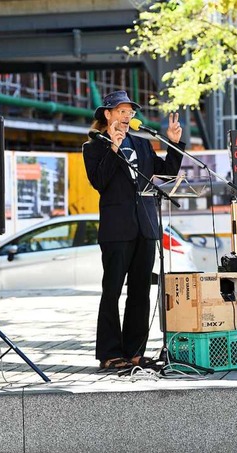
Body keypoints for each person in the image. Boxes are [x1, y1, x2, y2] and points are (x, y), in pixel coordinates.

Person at [82, 90, 184, 370]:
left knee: (141, 291)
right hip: (117, 230)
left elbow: (167, 174)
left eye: (130, 113)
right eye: (122, 112)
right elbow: (100, 181)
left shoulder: (142, 144)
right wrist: (113, 149)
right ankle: (110, 353)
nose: (128, 117)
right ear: (108, 114)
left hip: (145, 226)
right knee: (112, 291)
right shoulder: (93, 147)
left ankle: (135, 351)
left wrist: (173, 145)